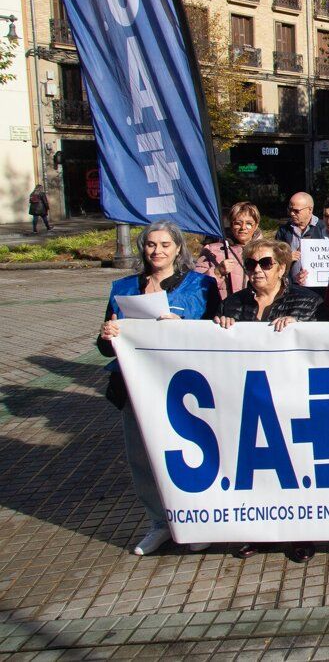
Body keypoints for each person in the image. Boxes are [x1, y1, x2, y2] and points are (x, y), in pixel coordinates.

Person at [96, 222, 220, 556]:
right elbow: (104, 346)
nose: (157, 251)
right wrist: (108, 334)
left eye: (165, 244)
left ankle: (197, 521)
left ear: (179, 248)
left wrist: (184, 329)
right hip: (136, 389)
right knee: (142, 457)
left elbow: (217, 335)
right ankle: (159, 523)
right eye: (151, 245)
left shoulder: (201, 286)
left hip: (185, 388)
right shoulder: (124, 288)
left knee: (191, 455)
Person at [213, 238, 323, 563]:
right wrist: (219, 327)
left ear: (282, 267)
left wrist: (301, 327)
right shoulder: (231, 305)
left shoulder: (307, 302)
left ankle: (298, 534)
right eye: (251, 264)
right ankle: (257, 531)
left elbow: (324, 342)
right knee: (254, 470)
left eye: (265, 263)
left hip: (290, 400)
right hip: (247, 400)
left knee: (295, 469)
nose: (257, 270)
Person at [195, 201, 263, 300]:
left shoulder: (267, 250)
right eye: (237, 223)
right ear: (231, 225)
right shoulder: (211, 250)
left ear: (256, 225)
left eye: (249, 224)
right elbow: (196, 285)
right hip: (222, 310)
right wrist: (217, 272)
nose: (243, 228)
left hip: (255, 309)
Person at [274, 192, 327, 280]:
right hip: (290, 285)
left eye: (296, 211)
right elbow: (274, 257)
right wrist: (287, 258)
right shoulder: (284, 230)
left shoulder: (323, 229)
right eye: (290, 210)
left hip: (316, 287)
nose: (292, 214)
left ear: (310, 210)